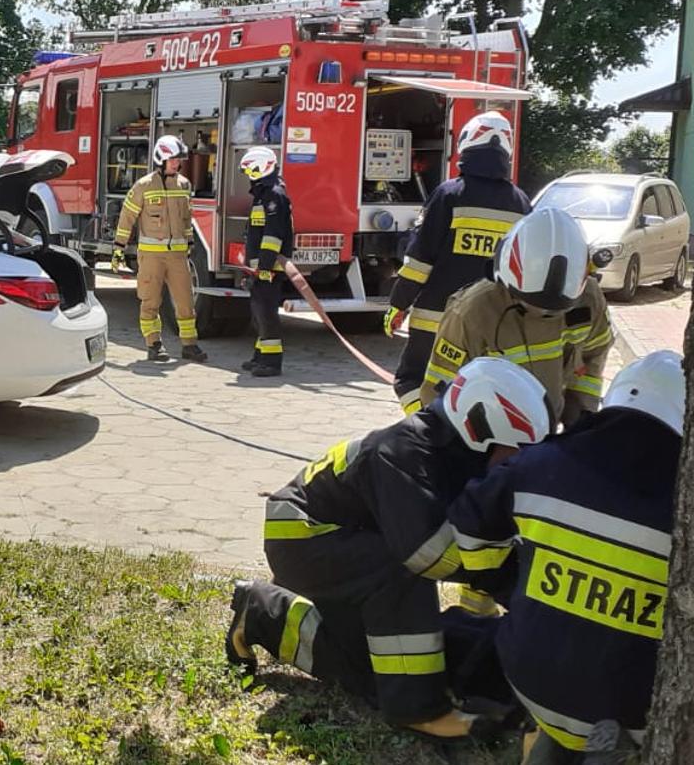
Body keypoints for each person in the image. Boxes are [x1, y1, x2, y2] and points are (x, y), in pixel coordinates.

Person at [227, 357, 551, 738]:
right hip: (304, 538)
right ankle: (420, 711)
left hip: (350, 543)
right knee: (405, 571)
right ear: (479, 428)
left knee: (372, 669)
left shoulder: (455, 455)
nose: (523, 464)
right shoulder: (404, 454)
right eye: (518, 451)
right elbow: (430, 555)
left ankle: (262, 613)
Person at [447, 350, 686, 763]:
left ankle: (561, 739)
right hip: (638, 705)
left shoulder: (539, 463)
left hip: (531, 680)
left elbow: (469, 522)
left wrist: (508, 586)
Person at [383, 111, 531, 414]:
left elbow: (419, 261)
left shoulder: (449, 194)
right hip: (494, 323)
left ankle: (426, 435)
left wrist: (398, 304)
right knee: (475, 393)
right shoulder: (521, 203)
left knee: (411, 381)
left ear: (466, 144)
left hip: (436, 318)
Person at [418, 208, 613, 427]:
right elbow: (438, 392)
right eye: (529, 304)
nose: (542, 313)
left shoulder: (588, 300)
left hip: (549, 431)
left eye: (555, 311)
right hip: (488, 440)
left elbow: (594, 356)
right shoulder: (472, 313)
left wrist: (579, 421)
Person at [115, 135, 206, 363]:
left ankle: (189, 345)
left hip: (177, 256)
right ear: (161, 159)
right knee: (150, 301)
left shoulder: (184, 185)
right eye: (173, 159)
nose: (177, 163)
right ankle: (154, 344)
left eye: (178, 160)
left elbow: (187, 219)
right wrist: (118, 247)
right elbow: (127, 217)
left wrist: (190, 243)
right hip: (151, 256)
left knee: (185, 301)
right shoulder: (143, 186)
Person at [239, 146, 293, 378]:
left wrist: (265, 266)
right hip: (260, 267)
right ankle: (260, 357)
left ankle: (272, 363)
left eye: (250, 169)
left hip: (269, 268)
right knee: (259, 312)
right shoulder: (264, 193)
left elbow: (274, 235)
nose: (248, 174)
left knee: (267, 312)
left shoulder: (274, 195)